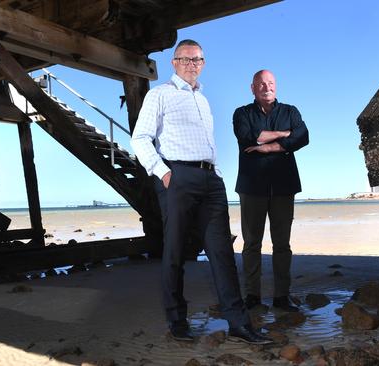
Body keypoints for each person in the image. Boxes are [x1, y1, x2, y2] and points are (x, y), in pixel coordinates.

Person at [130, 40, 272, 345]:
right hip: (177, 176)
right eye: (187, 59)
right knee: (176, 251)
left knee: (221, 252)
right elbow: (140, 138)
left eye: (198, 60)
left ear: (203, 64)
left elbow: (207, 143)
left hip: (210, 180)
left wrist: (217, 173)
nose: (193, 65)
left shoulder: (203, 101)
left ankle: (238, 323)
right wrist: (164, 172)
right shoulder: (160, 95)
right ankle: (177, 321)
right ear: (174, 62)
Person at [232, 70, 309, 312]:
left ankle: (281, 297)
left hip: (284, 186)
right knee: (252, 243)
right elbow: (248, 137)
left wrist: (269, 146)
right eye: (262, 84)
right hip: (252, 186)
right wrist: (286, 136)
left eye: (271, 83)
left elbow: (303, 136)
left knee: (282, 244)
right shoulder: (242, 113)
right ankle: (253, 297)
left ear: (276, 86)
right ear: (252, 88)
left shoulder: (290, 111)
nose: (267, 87)